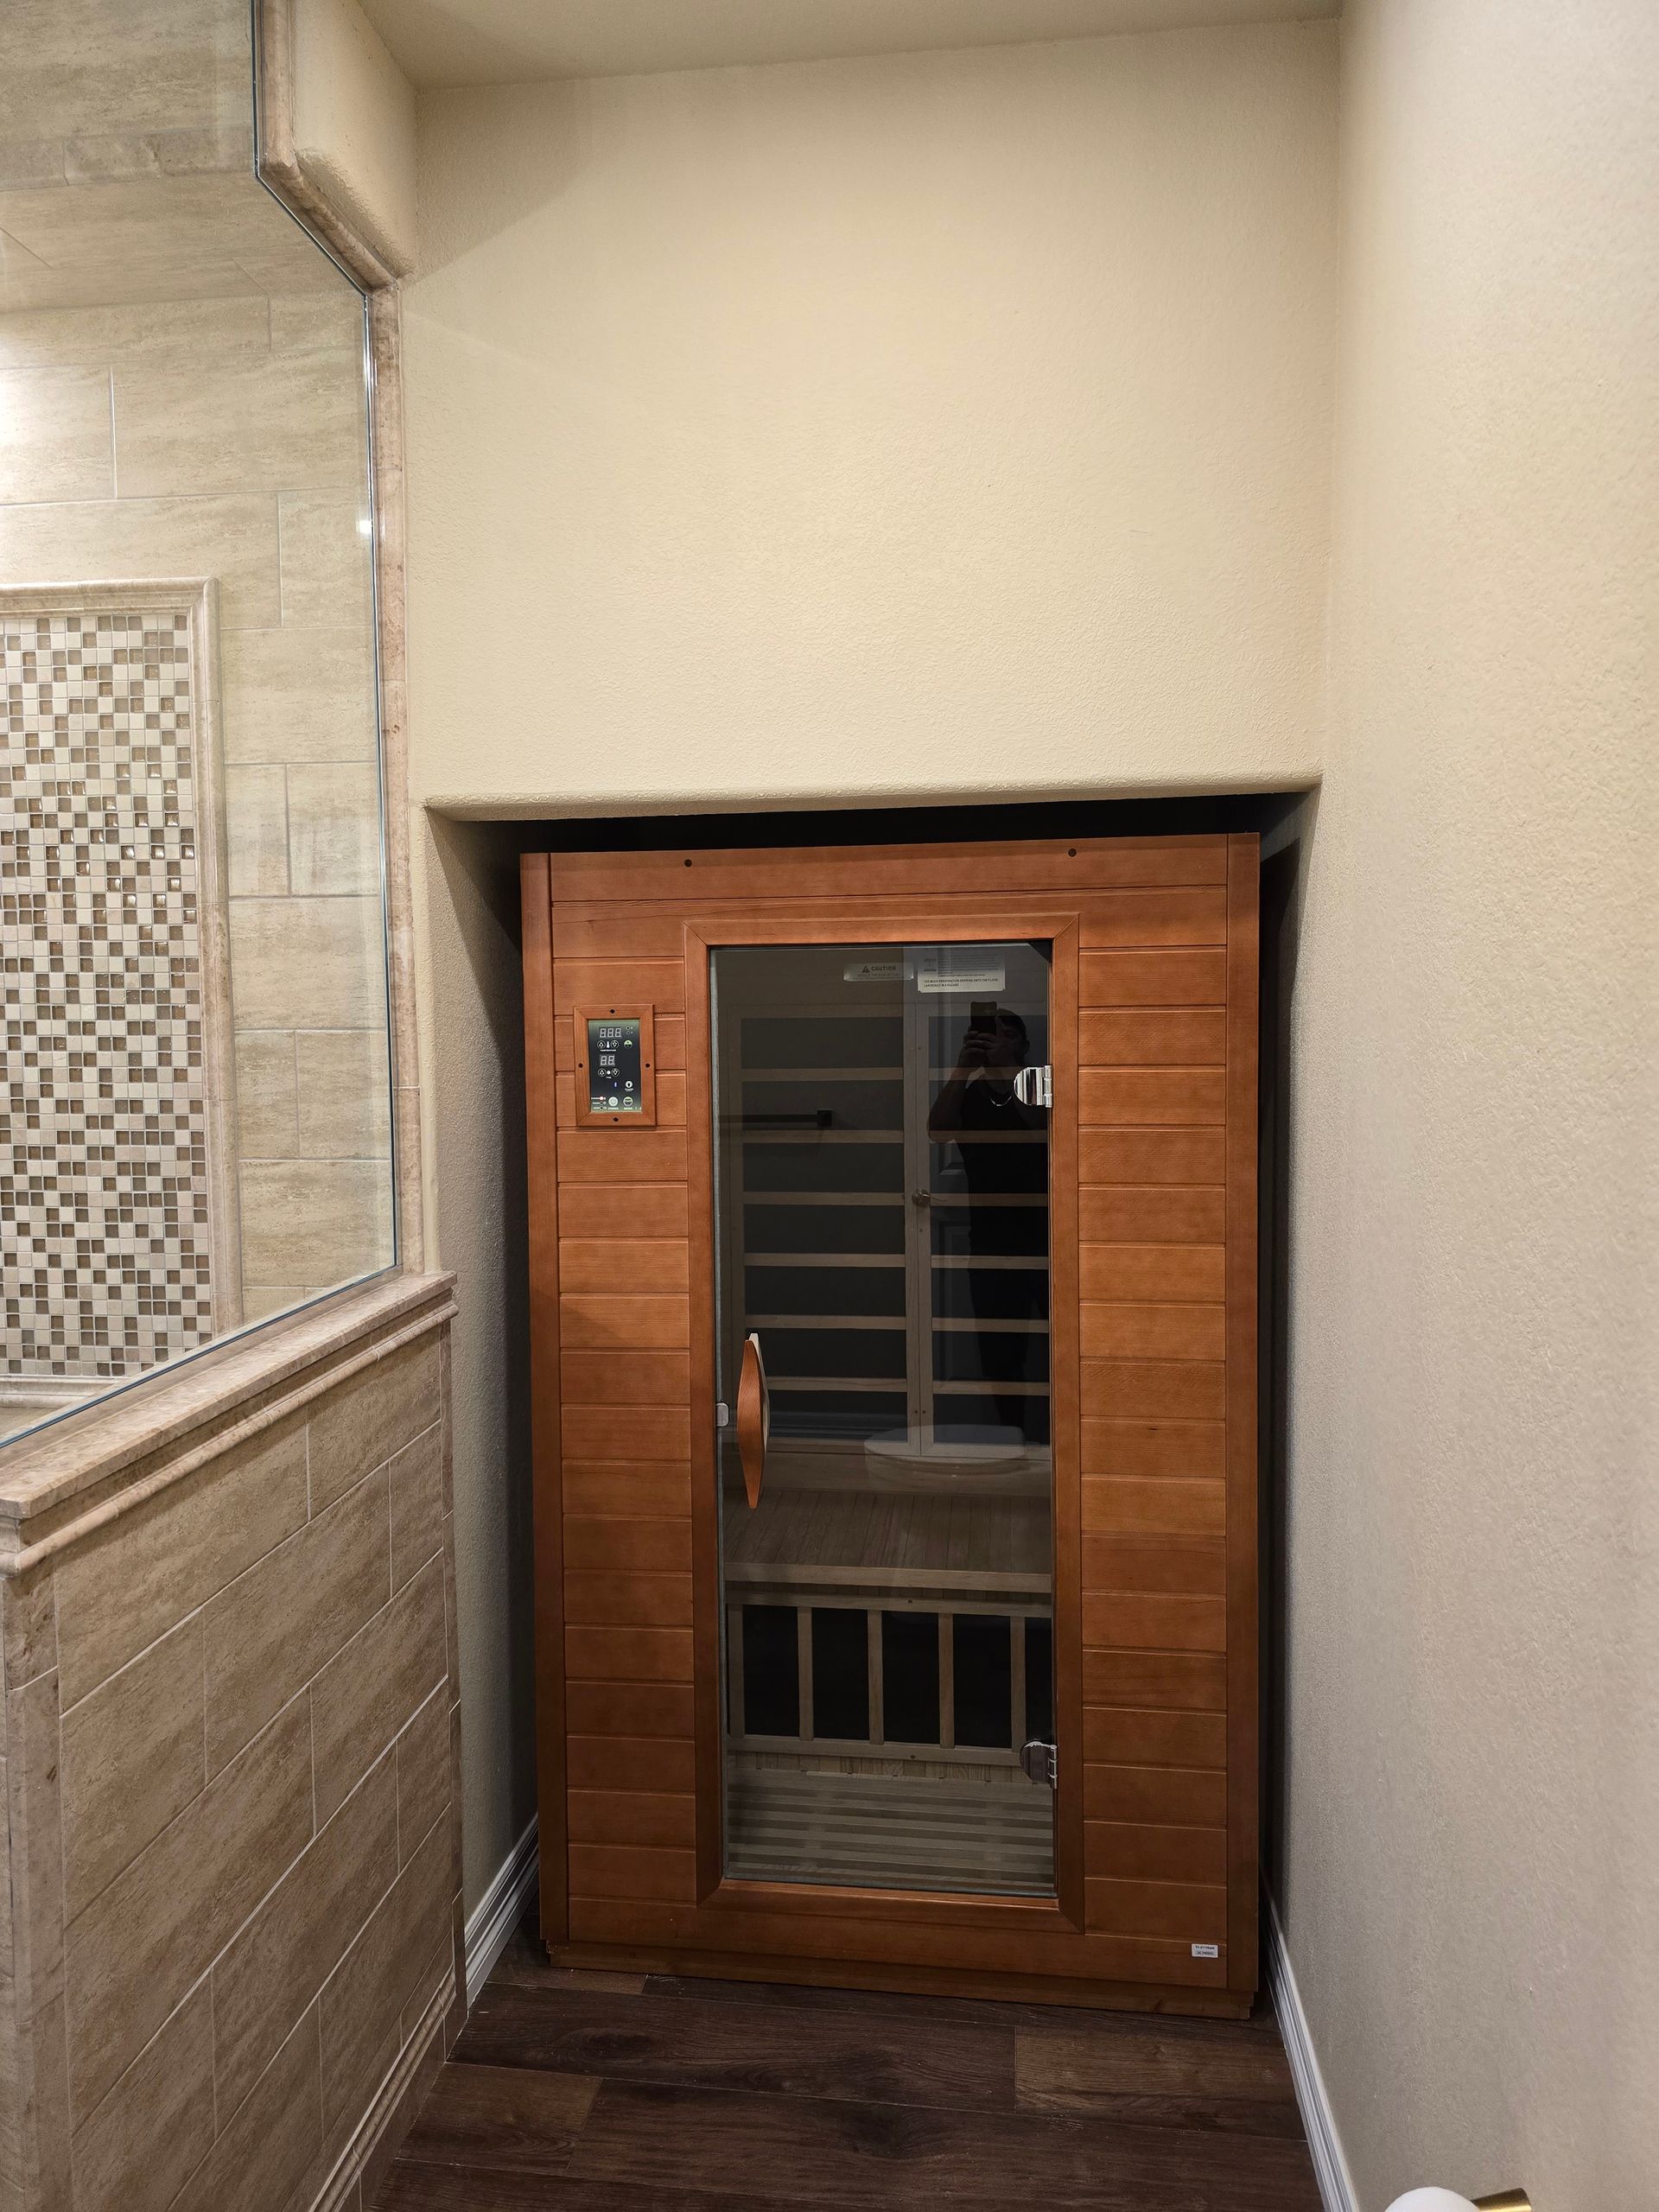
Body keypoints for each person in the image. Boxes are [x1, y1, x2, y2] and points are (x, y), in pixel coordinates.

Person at [926, 1007, 1048, 1443]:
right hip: (992, 1239)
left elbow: (1044, 1129)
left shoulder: (1039, 1082)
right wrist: (962, 1067)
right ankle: (1013, 1438)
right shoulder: (970, 1091)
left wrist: (1011, 1070)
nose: (997, 1041)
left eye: (1008, 1034)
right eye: (988, 1036)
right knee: (1000, 1351)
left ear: (1025, 1046)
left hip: (1051, 1236)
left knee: (1064, 1343)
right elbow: (938, 1130)